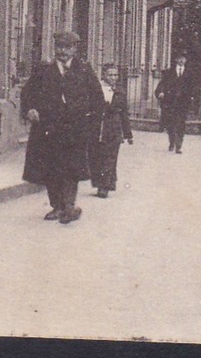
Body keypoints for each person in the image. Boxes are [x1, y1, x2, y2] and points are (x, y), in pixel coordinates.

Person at [21, 31, 105, 224]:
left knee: (71, 169)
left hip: (75, 130)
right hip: (48, 130)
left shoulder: (84, 70)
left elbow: (97, 99)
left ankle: (68, 206)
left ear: (75, 49)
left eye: (67, 47)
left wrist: (91, 124)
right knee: (51, 169)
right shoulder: (44, 70)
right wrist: (30, 109)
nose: (63, 51)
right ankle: (57, 206)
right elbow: (28, 93)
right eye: (59, 47)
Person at [91, 63, 134, 198]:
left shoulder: (120, 91)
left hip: (114, 129)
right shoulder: (96, 90)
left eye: (116, 75)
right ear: (103, 75)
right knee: (98, 157)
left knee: (110, 158)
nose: (114, 78)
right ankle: (105, 183)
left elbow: (124, 114)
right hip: (98, 128)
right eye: (110, 75)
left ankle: (104, 187)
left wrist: (128, 134)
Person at [155, 53, 197, 154]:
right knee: (171, 123)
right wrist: (160, 92)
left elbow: (194, 87)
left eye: (183, 58)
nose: (182, 60)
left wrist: (193, 97)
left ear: (186, 60)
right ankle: (172, 141)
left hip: (183, 102)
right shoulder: (169, 72)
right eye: (179, 58)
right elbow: (162, 84)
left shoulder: (190, 73)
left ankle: (179, 145)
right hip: (170, 102)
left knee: (181, 123)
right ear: (176, 60)